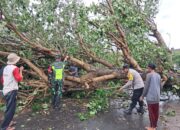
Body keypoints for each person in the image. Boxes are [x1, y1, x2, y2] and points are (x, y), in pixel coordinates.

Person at [1, 53, 23, 130]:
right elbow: (19, 79)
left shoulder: (5, 68)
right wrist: (21, 71)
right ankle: (4, 127)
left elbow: (2, 80)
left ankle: (9, 122)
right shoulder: (15, 68)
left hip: (6, 90)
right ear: (15, 61)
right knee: (10, 109)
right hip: (11, 91)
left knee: (9, 108)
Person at [140, 63, 161, 130]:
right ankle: (155, 125)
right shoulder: (158, 75)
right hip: (157, 97)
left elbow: (146, 87)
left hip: (151, 97)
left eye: (147, 68)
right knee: (156, 112)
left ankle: (152, 127)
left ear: (149, 68)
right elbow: (161, 87)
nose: (147, 69)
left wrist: (142, 96)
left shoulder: (149, 75)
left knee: (151, 113)